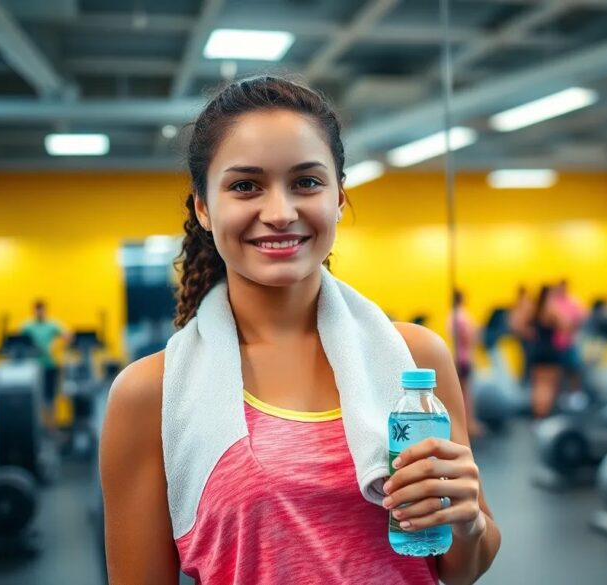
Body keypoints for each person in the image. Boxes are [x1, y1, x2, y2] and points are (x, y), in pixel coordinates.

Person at [99, 76, 500, 584]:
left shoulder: (414, 361)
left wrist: (466, 523)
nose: (280, 213)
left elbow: (461, 568)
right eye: (245, 185)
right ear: (202, 206)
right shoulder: (150, 394)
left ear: (338, 198)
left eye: (306, 182)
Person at [20, 300, 71, 407]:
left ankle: (51, 423)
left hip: (49, 364)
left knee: (50, 397)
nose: (39, 312)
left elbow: (67, 335)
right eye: (37, 310)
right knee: (36, 396)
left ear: (45, 310)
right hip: (33, 367)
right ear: (34, 311)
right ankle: (38, 423)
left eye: (41, 310)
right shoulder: (27, 326)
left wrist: (57, 346)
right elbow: (19, 341)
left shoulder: (52, 324)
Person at [449, 290, 484, 438]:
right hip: (464, 358)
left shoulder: (452, 315)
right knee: (466, 394)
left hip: (459, 357)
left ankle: (466, 424)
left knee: (462, 394)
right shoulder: (461, 315)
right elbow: (470, 335)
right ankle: (469, 424)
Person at [529, 285, 566, 418]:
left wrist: (531, 334)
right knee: (549, 386)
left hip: (537, 349)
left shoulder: (535, 308)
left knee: (538, 385)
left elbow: (518, 324)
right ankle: (544, 415)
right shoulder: (552, 309)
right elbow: (566, 325)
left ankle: (537, 414)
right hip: (550, 349)